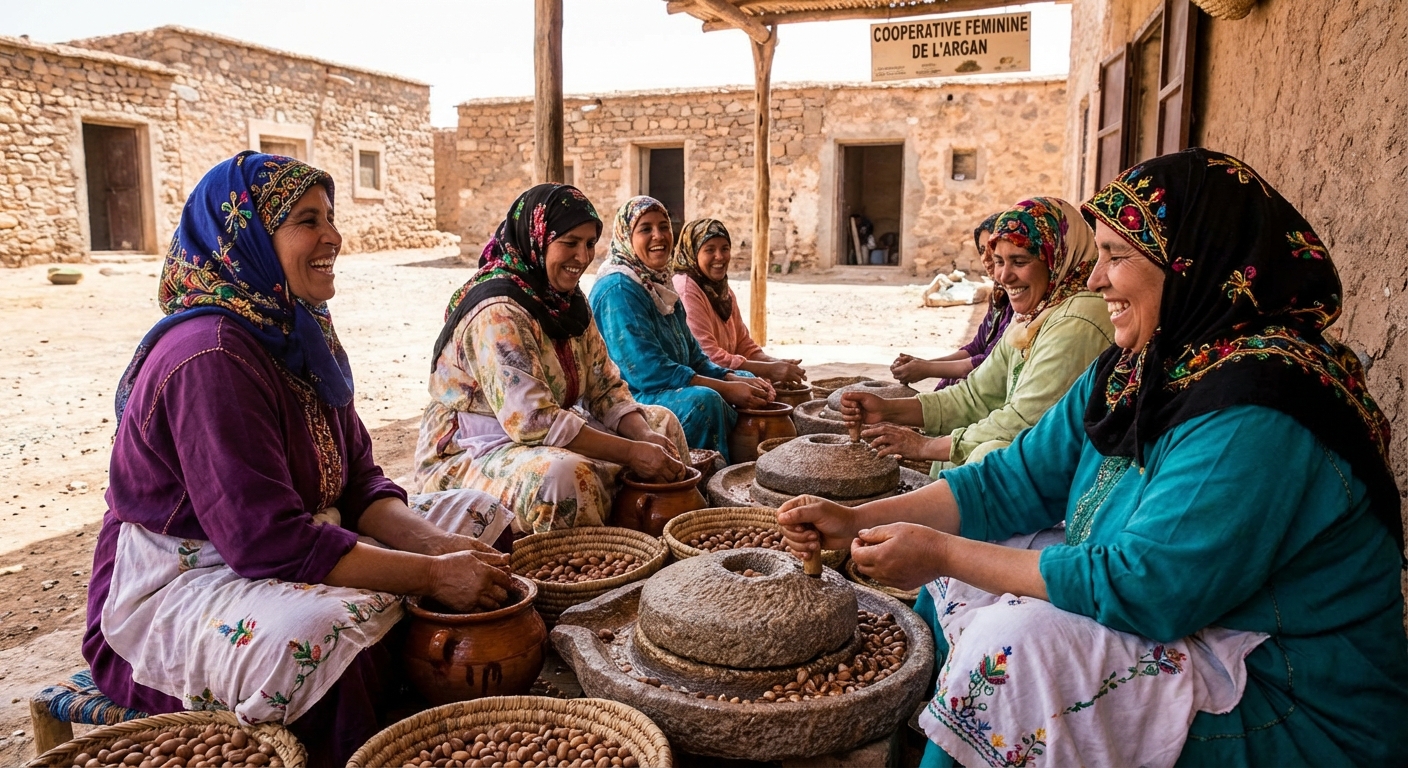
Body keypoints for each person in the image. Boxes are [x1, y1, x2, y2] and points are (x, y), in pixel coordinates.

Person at [779, 149, 1408, 766]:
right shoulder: (1143, 367)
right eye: (1097, 254)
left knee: (1016, 651)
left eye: (1116, 257)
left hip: (1283, 689)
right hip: (1194, 619)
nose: (1096, 278)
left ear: (1189, 262)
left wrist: (939, 550)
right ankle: (950, 732)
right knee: (970, 568)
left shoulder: (1262, 404)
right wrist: (858, 518)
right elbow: (1014, 480)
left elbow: (1148, 585)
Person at [84, 152, 515, 766]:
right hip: (182, 581)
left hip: (296, 539)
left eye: (331, 217)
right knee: (328, 638)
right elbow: (268, 544)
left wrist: (435, 547)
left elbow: (362, 482)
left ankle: (420, 716)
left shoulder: (297, 328)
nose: (332, 237)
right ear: (249, 238)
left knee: (479, 518)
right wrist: (434, 575)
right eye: (306, 220)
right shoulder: (208, 357)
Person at [412, 184, 688, 534]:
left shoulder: (568, 303)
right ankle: (581, 573)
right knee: (564, 478)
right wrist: (633, 454)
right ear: (537, 240)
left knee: (662, 424)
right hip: (470, 453)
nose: (583, 256)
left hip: (544, 435)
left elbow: (606, 387)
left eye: (589, 243)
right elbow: (533, 421)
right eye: (570, 243)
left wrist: (643, 437)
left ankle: (648, 542)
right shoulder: (497, 312)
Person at [853, 198, 1113, 470]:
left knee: (987, 455)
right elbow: (976, 394)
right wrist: (886, 409)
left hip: (1075, 467)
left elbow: (1024, 421)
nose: (1003, 275)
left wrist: (926, 447)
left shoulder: (1079, 319)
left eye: (1019, 261)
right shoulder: (1036, 312)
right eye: (999, 261)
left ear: (1056, 257)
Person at [589, 197, 772, 462]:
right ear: (627, 236)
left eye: (664, 226)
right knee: (703, 401)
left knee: (746, 380)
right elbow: (648, 373)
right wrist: (726, 388)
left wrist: (733, 378)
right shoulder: (618, 289)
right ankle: (698, 479)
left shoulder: (659, 282)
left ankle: (740, 469)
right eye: (646, 229)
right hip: (630, 397)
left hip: (666, 384)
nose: (658, 236)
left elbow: (695, 358)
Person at [670, 218, 806, 386]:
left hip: (723, 373)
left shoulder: (723, 292)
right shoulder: (686, 289)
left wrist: (776, 363)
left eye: (725, 249)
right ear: (692, 253)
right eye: (709, 250)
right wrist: (770, 370)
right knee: (754, 381)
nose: (719, 257)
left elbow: (744, 345)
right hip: (696, 381)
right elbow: (708, 357)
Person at [891, 212, 1011, 390]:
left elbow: (992, 362)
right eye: (981, 250)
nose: (986, 259)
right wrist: (923, 363)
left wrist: (927, 369)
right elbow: (977, 346)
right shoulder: (1000, 295)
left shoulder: (1022, 301)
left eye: (993, 250)